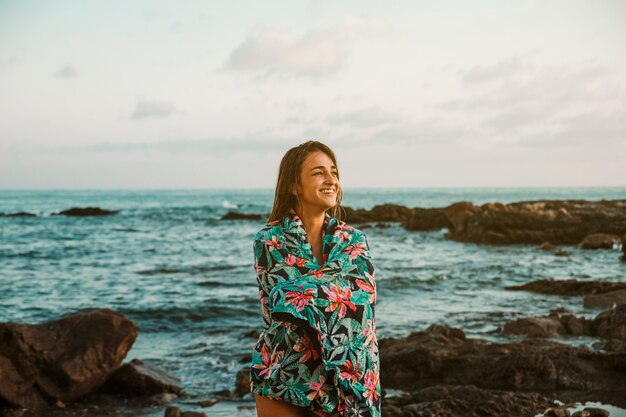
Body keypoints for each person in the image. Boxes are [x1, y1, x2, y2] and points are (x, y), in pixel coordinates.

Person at [250, 140, 381, 417]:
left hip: (344, 380)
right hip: (284, 371)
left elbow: (362, 297)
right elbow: (281, 299)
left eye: (334, 172)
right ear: (293, 185)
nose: (331, 180)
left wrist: (316, 292)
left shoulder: (354, 241)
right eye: (319, 172)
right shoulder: (269, 240)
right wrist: (336, 289)